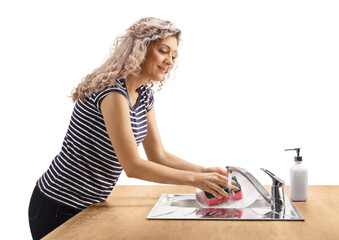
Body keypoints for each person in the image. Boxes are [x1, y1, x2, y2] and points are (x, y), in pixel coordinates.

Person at [28, 17, 238, 239]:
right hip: (58, 203)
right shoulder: (112, 93)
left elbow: (158, 155)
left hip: (90, 204)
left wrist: (204, 171)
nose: (169, 61)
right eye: (163, 51)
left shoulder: (144, 95)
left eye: (173, 56)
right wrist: (195, 180)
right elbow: (133, 166)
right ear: (141, 49)